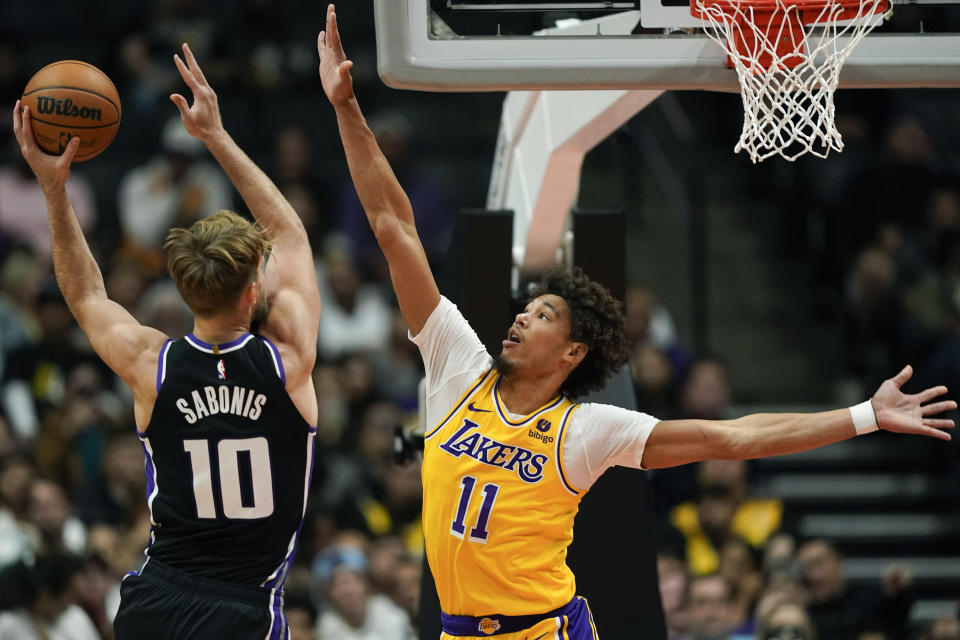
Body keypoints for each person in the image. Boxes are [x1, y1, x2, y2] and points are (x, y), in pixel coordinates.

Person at [317, 5, 956, 638]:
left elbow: (733, 439)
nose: (518, 317)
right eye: (524, 308)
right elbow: (394, 228)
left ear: (571, 352)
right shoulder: (458, 363)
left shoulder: (586, 429)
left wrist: (865, 416)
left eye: (542, 314)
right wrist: (347, 108)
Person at [12, 40, 321, 640]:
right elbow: (290, 234)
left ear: (183, 290)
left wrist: (54, 188)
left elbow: (87, 296)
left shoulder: (150, 363)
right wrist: (216, 137)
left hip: (156, 599)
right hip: (243, 608)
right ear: (253, 292)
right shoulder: (290, 361)